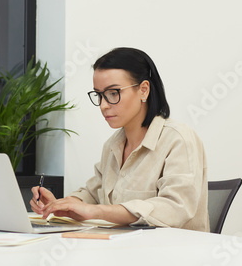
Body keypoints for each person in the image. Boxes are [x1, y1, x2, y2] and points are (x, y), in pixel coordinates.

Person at [31, 47, 209, 232]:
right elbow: (93, 193)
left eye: (113, 93)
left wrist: (97, 211)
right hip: (122, 249)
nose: (103, 105)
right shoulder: (113, 145)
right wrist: (62, 205)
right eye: (99, 95)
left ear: (143, 90)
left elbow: (175, 209)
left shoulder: (178, 139)